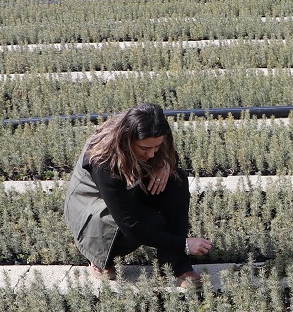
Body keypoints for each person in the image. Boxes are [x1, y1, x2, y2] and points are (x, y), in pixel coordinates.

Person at [64, 103, 212, 286]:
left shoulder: (153, 132)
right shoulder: (103, 159)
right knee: (150, 222)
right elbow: (130, 226)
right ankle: (100, 257)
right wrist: (184, 244)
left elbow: (167, 157)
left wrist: (165, 162)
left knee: (176, 178)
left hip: (129, 193)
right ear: (127, 139)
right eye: (144, 149)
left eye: (157, 147)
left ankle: (176, 265)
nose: (151, 154)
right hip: (91, 213)